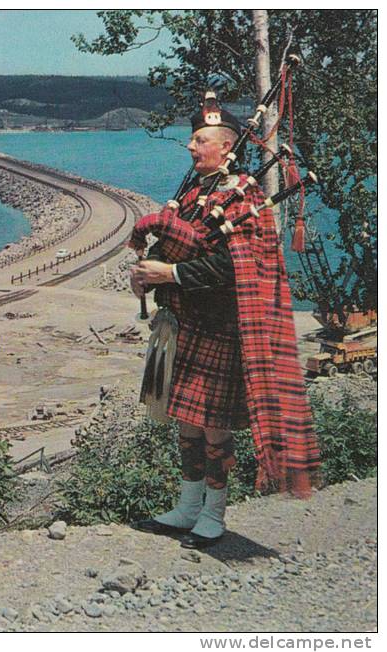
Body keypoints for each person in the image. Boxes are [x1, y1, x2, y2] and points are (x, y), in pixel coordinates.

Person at [128, 94, 320, 549]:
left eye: (200, 140)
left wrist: (169, 273)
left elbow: (235, 267)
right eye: (192, 140)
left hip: (222, 326)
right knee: (187, 422)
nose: (192, 147)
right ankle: (187, 507)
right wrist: (146, 277)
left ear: (226, 146)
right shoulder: (194, 195)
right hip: (184, 323)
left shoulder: (245, 196)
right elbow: (170, 248)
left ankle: (214, 514)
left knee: (215, 427)